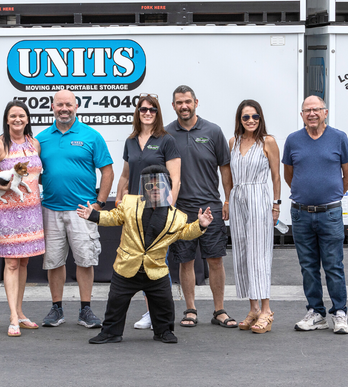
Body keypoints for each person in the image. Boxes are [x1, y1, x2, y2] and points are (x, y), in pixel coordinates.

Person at [78, 165, 213, 344]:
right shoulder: (129, 203)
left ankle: (164, 331)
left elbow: (186, 233)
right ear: (144, 189)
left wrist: (201, 225)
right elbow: (114, 217)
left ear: (167, 187)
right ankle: (110, 333)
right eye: (150, 186)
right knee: (115, 303)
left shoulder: (178, 217)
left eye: (160, 185)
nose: (155, 189)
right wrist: (94, 216)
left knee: (165, 305)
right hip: (127, 265)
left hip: (156, 268)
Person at [36, 89, 114, 328]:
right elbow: (33, 172)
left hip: (83, 210)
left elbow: (107, 171)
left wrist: (99, 203)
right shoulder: (40, 139)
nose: (64, 109)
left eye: (68, 104)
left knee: (85, 261)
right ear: (52, 107)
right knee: (54, 262)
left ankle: (86, 309)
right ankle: (56, 309)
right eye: (60, 104)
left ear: (76, 106)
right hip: (50, 208)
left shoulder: (91, 136)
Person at [165, 85, 237, 328]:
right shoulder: (166, 134)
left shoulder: (213, 131)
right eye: (179, 102)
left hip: (211, 208)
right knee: (185, 261)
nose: (184, 106)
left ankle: (219, 311)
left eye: (187, 101)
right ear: (173, 105)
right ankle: (190, 309)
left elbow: (225, 169)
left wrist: (226, 200)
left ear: (196, 102)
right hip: (181, 210)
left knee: (215, 260)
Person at [283, 95, 348, 334]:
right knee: (308, 267)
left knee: (334, 265)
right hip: (301, 214)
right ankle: (316, 312)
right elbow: (289, 175)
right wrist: (308, 195)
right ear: (301, 114)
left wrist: (331, 195)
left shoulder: (339, 138)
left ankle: (340, 314)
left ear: (325, 112)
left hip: (330, 214)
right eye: (307, 110)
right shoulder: (293, 140)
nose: (311, 113)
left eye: (316, 109)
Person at [0, 100, 45, 337]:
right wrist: (2, 186)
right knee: (12, 262)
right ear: (7, 119)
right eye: (13, 116)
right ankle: (13, 317)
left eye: (22, 116)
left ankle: (20, 311)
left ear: (27, 119)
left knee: (24, 262)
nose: (18, 120)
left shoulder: (34, 143)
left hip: (32, 211)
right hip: (8, 213)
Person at [114, 93, 181, 330]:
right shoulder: (130, 140)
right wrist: (120, 195)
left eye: (152, 109)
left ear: (158, 113)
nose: (148, 113)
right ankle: (150, 312)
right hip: (134, 211)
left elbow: (175, 178)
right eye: (143, 109)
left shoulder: (166, 140)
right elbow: (125, 174)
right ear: (138, 112)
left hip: (157, 210)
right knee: (138, 260)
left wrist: (169, 207)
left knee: (157, 261)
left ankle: (159, 315)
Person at [228, 100, 281, 334]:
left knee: (259, 253)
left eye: (255, 117)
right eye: (245, 117)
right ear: (239, 119)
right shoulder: (233, 142)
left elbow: (276, 177)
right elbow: (228, 175)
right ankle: (254, 308)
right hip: (237, 197)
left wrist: (276, 205)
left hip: (259, 197)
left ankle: (267, 310)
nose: (250, 121)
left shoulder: (268, 142)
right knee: (242, 252)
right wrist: (227, 200)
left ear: (261, 118)